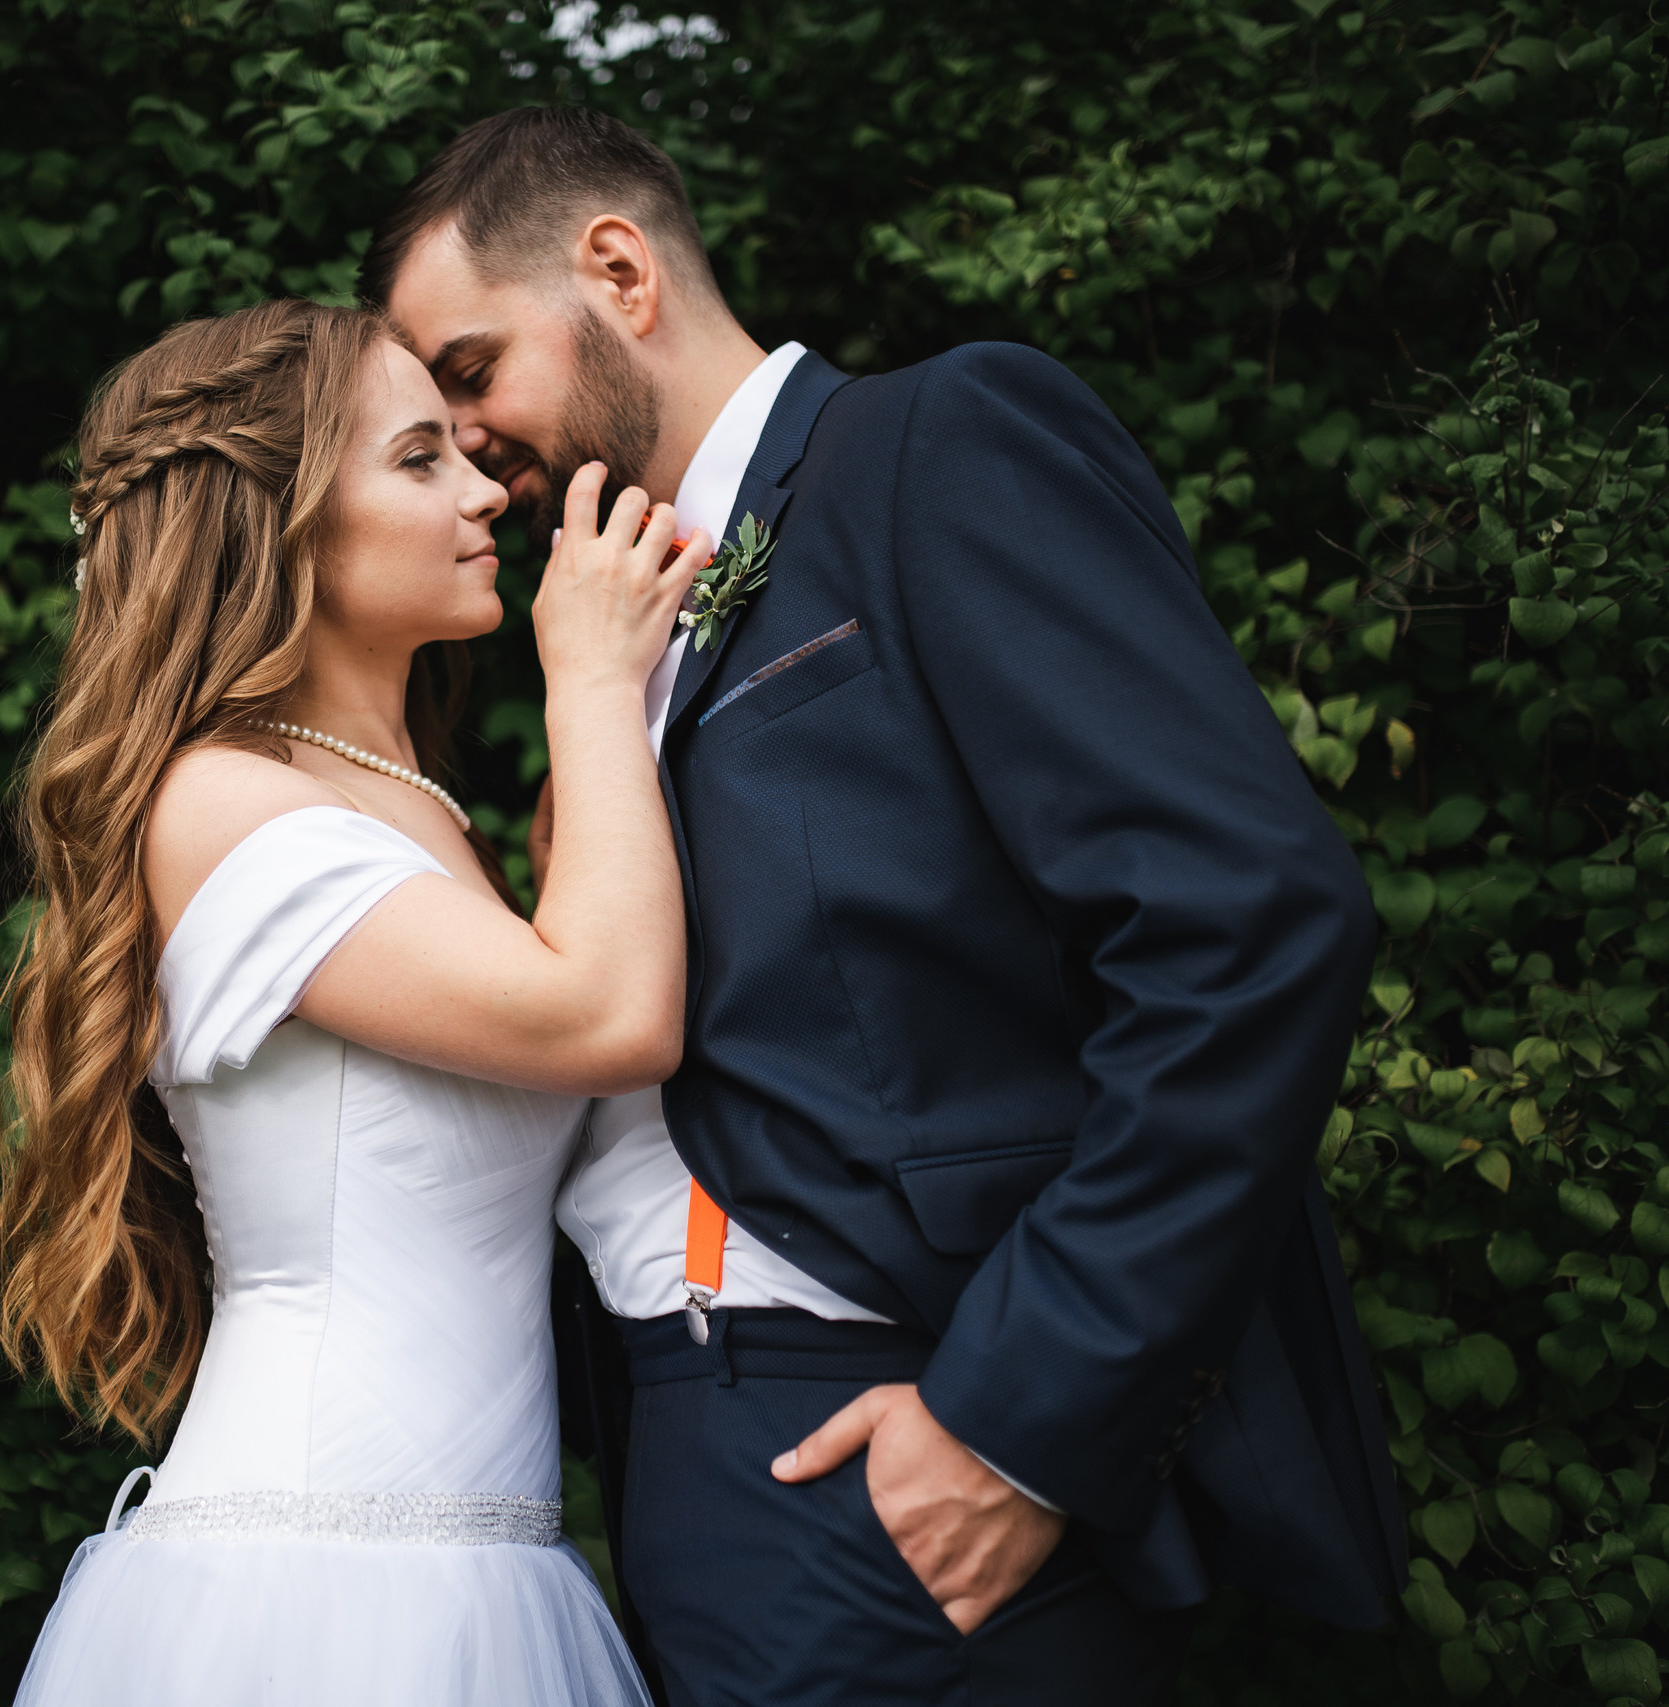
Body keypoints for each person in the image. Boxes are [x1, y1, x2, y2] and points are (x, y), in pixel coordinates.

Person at [361, 107, 1406, 1706]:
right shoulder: (615, 636)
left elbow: (1247, 927)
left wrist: (1019, 1420)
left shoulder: (936, 444)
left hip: (915, 1450)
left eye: (473, 367)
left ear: (620, 271)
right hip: (682, 1472)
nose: (472, 440)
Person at [0, 296, 710, 1704]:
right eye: (419, 458)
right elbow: (610, 1019)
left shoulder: (417, 815)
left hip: (483, 1566)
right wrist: (589, 683)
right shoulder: (219, 803)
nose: (488, 488)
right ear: (283, 522)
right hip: (316, 1583)